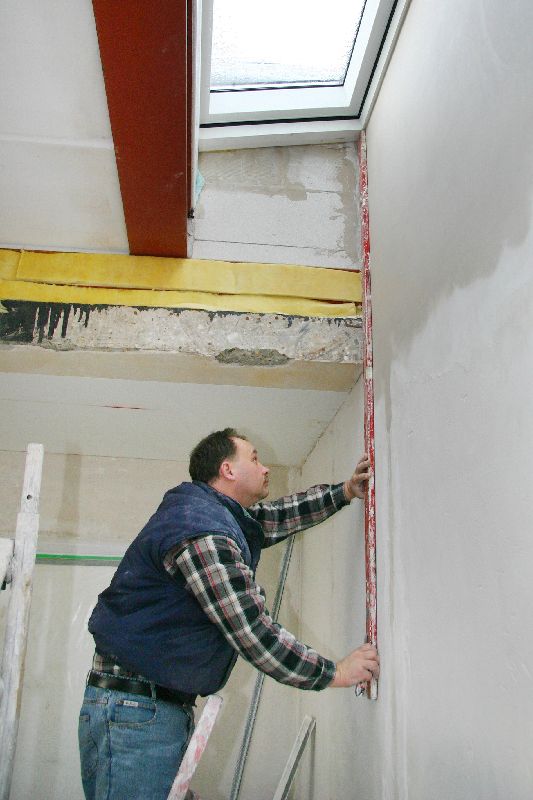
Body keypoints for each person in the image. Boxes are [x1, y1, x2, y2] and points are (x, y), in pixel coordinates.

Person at [78, 428, 379, 800]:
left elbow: (274, 518)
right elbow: (251, 631)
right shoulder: (202, 533)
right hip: (137, 713)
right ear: (228, 470)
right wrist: (335, 673)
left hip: (139, 710)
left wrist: (344, 492)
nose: (265, 468)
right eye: (254, 458)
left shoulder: (208, 516)